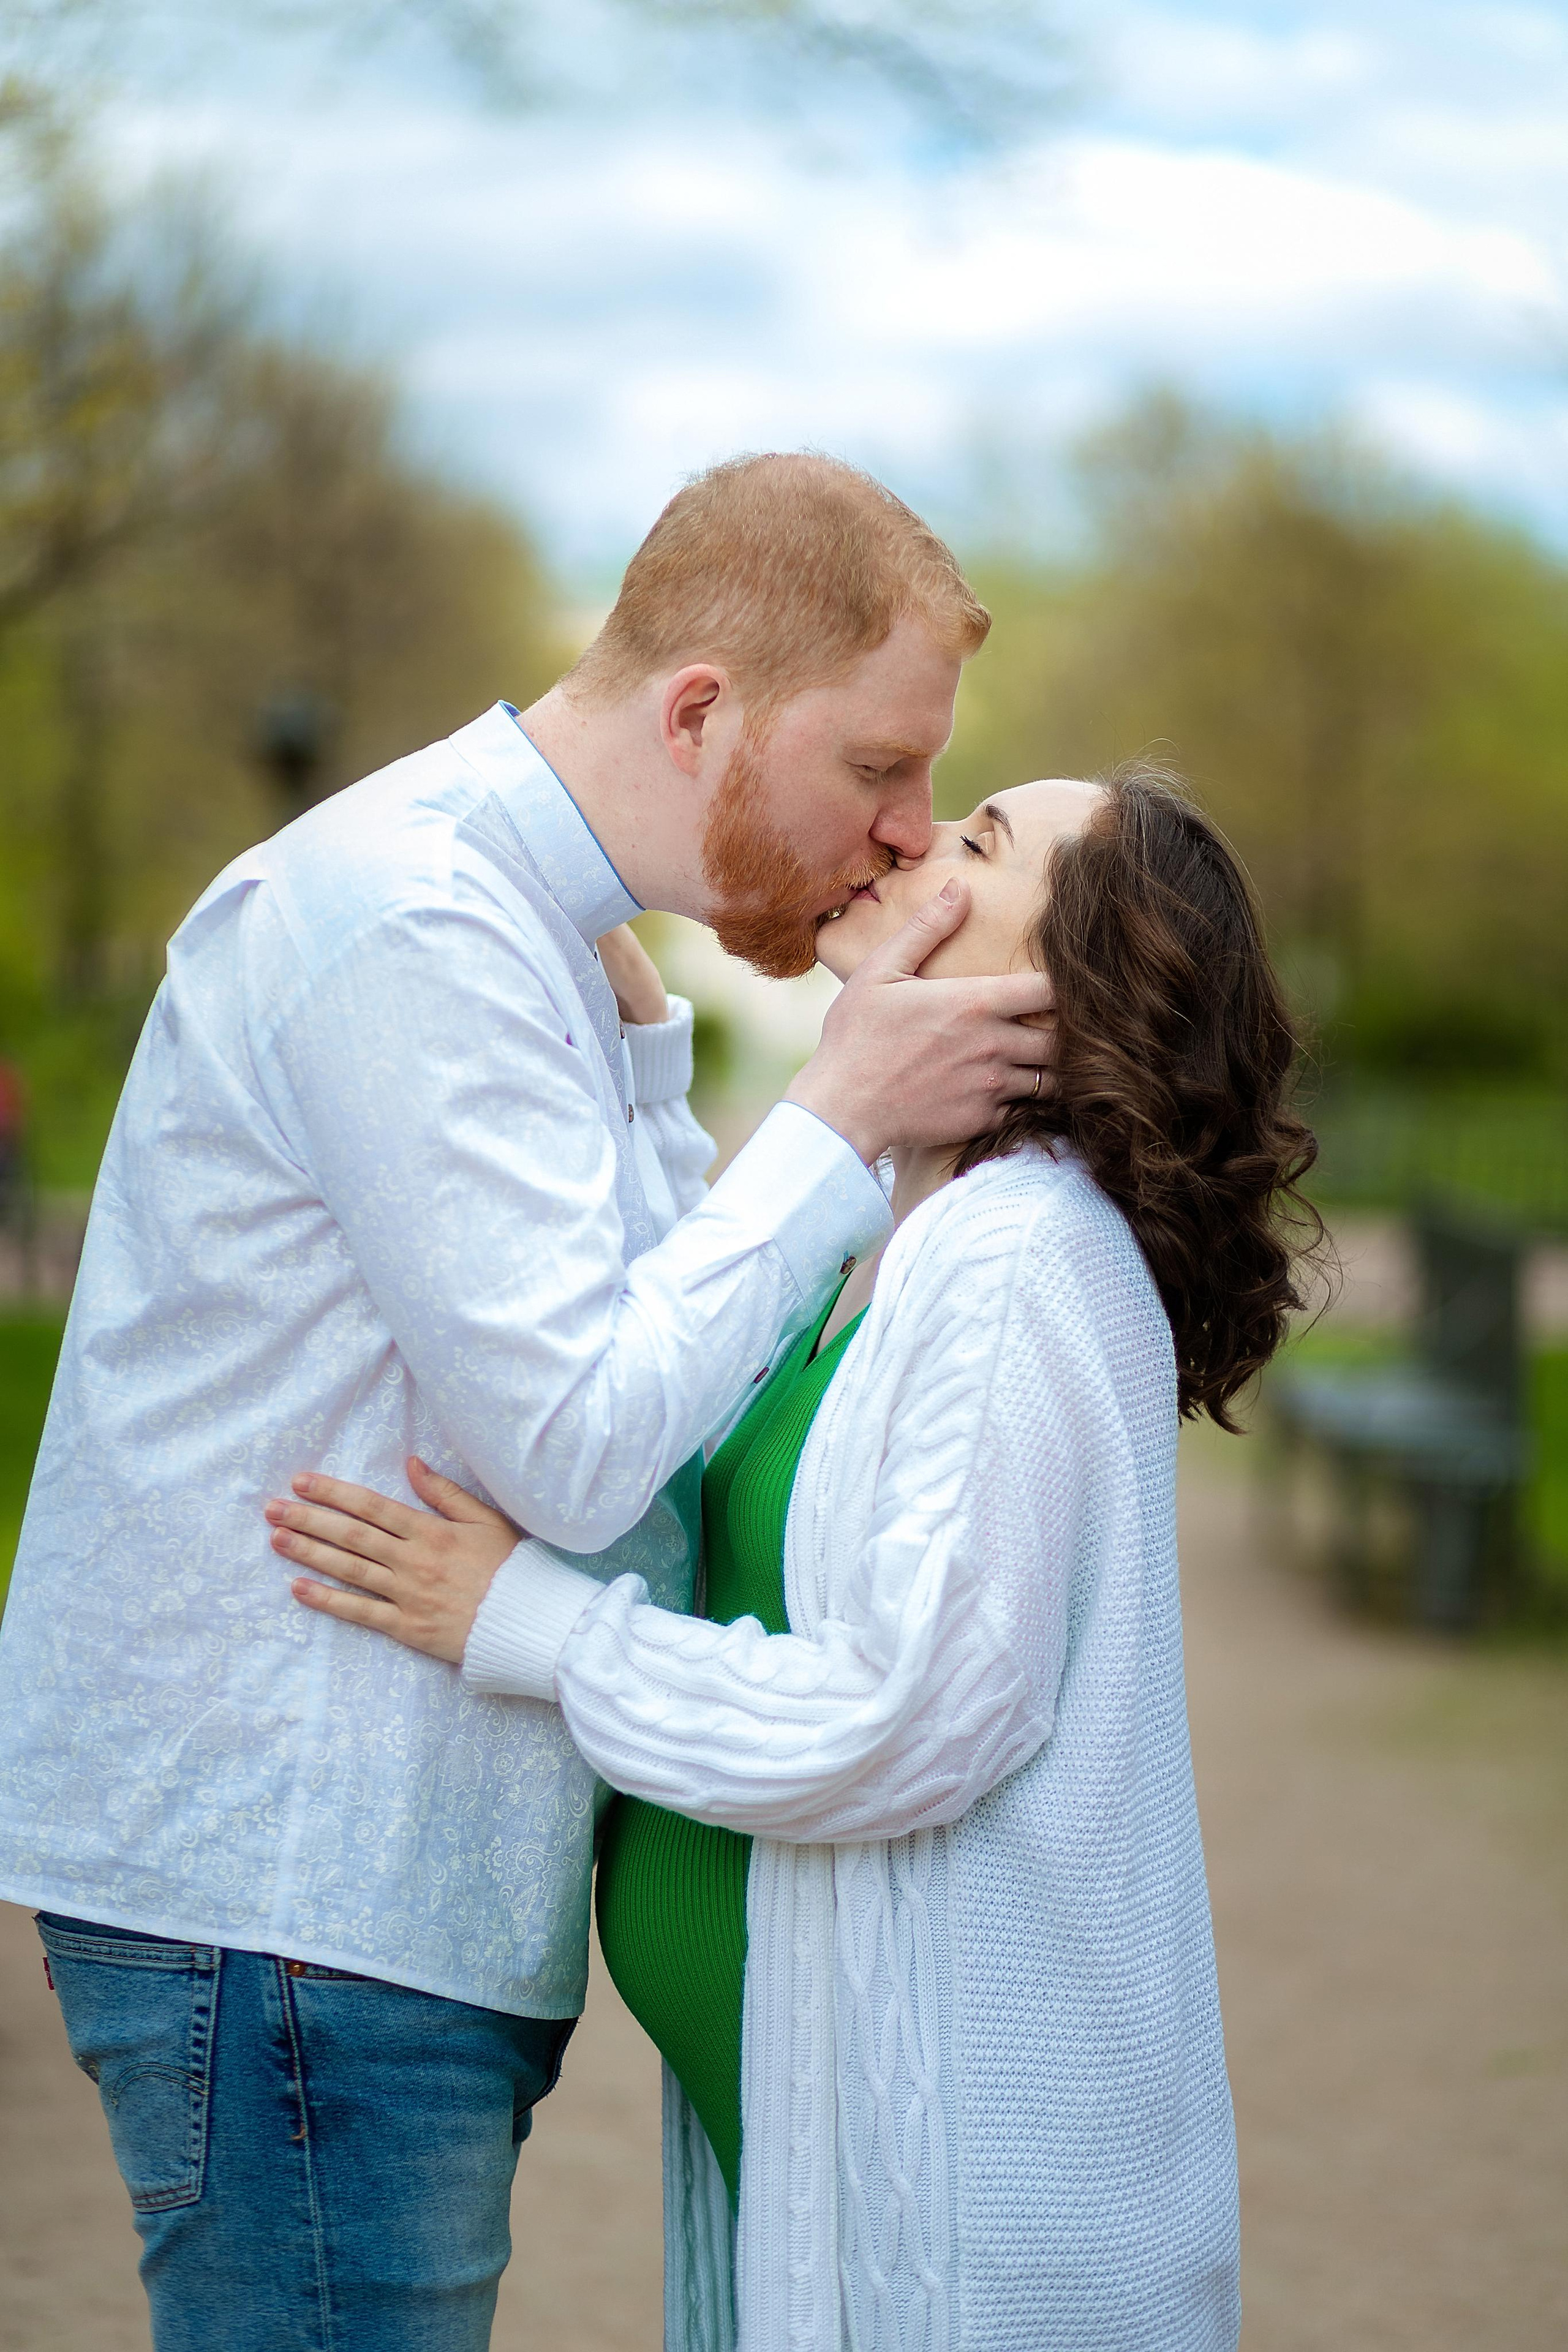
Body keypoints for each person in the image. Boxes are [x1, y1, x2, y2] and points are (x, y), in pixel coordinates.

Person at [0, 454, 1056, 2352]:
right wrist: (840, 1115)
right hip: (298, 1895)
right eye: (882, 769)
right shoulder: (414, 918)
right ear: (701, 713)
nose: (907, 836)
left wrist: (670, 1061)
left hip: (366, 1902)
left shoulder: (528, 926)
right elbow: (577, 1440)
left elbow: (670, 1353)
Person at [273, 766, 1321, 2351]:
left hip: (983, 2243)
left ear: (1069, 985)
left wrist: (532, 1627)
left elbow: (909, 1715)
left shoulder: (1024, 1255)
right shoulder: (898, 1239)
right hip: (830, 2176)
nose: (915, 836)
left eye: (980, 843)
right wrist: (639, 1072)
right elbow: (657, 1360)